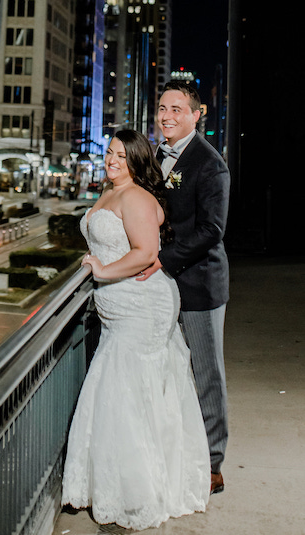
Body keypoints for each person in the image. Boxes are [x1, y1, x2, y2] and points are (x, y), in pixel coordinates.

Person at [62, 129, 210, 530]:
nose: (112, 160)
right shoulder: (111, 191)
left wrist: (102, 270)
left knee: (124, 393)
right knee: (124, 390)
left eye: (121, 156)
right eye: (110, 152)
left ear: (137, 162)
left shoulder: (136, 196)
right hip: (117, 308)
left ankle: (136, 491)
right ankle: (116, 482)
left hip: (141, 306)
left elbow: (146, 253)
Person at [138, 80, 231, 496]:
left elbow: (213, 229)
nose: (166, 116)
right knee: (165, 367)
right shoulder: (156, 156)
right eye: (162, 108)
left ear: (196, 115)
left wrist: (165, 259)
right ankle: (170, 447)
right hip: (159, 283)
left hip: (198, 284)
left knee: (206, 373)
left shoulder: (210, 164)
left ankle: (212, 462)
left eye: (177, 109)